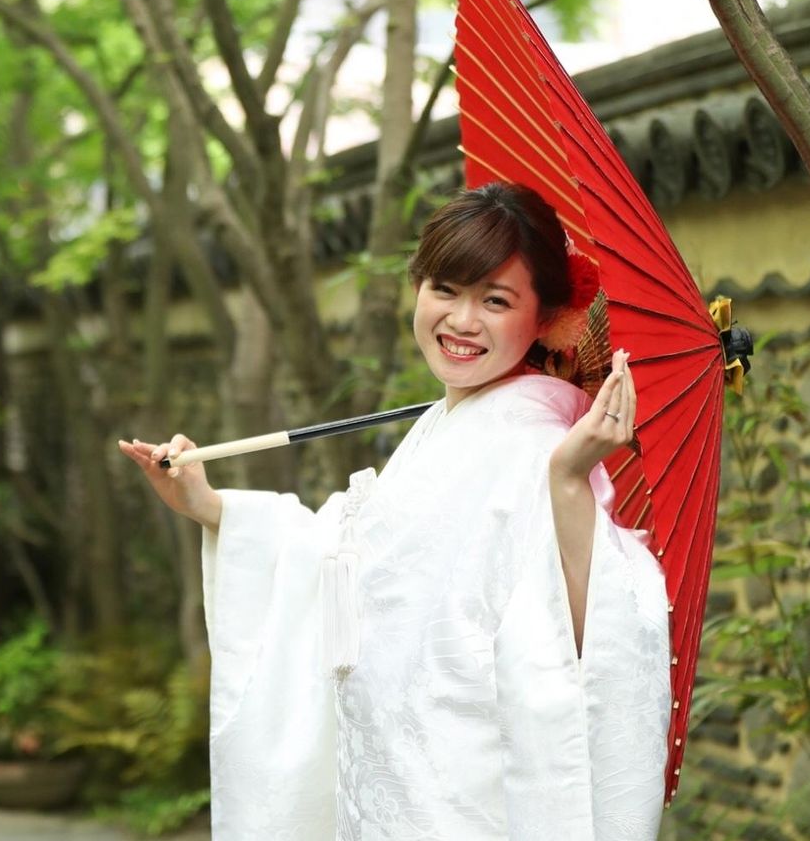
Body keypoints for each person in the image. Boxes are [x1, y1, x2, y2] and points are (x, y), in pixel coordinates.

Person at [119, 182, 671, 841]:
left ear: (545, 316)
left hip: (461, 795)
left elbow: (586, 633)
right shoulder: (449, 423)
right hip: (393, 780)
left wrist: (568, 482)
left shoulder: (539, 445)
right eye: (445, 289)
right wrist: (210, 506)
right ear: (417, 287)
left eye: (495, 301)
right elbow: (351, 552)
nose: (461, 321)